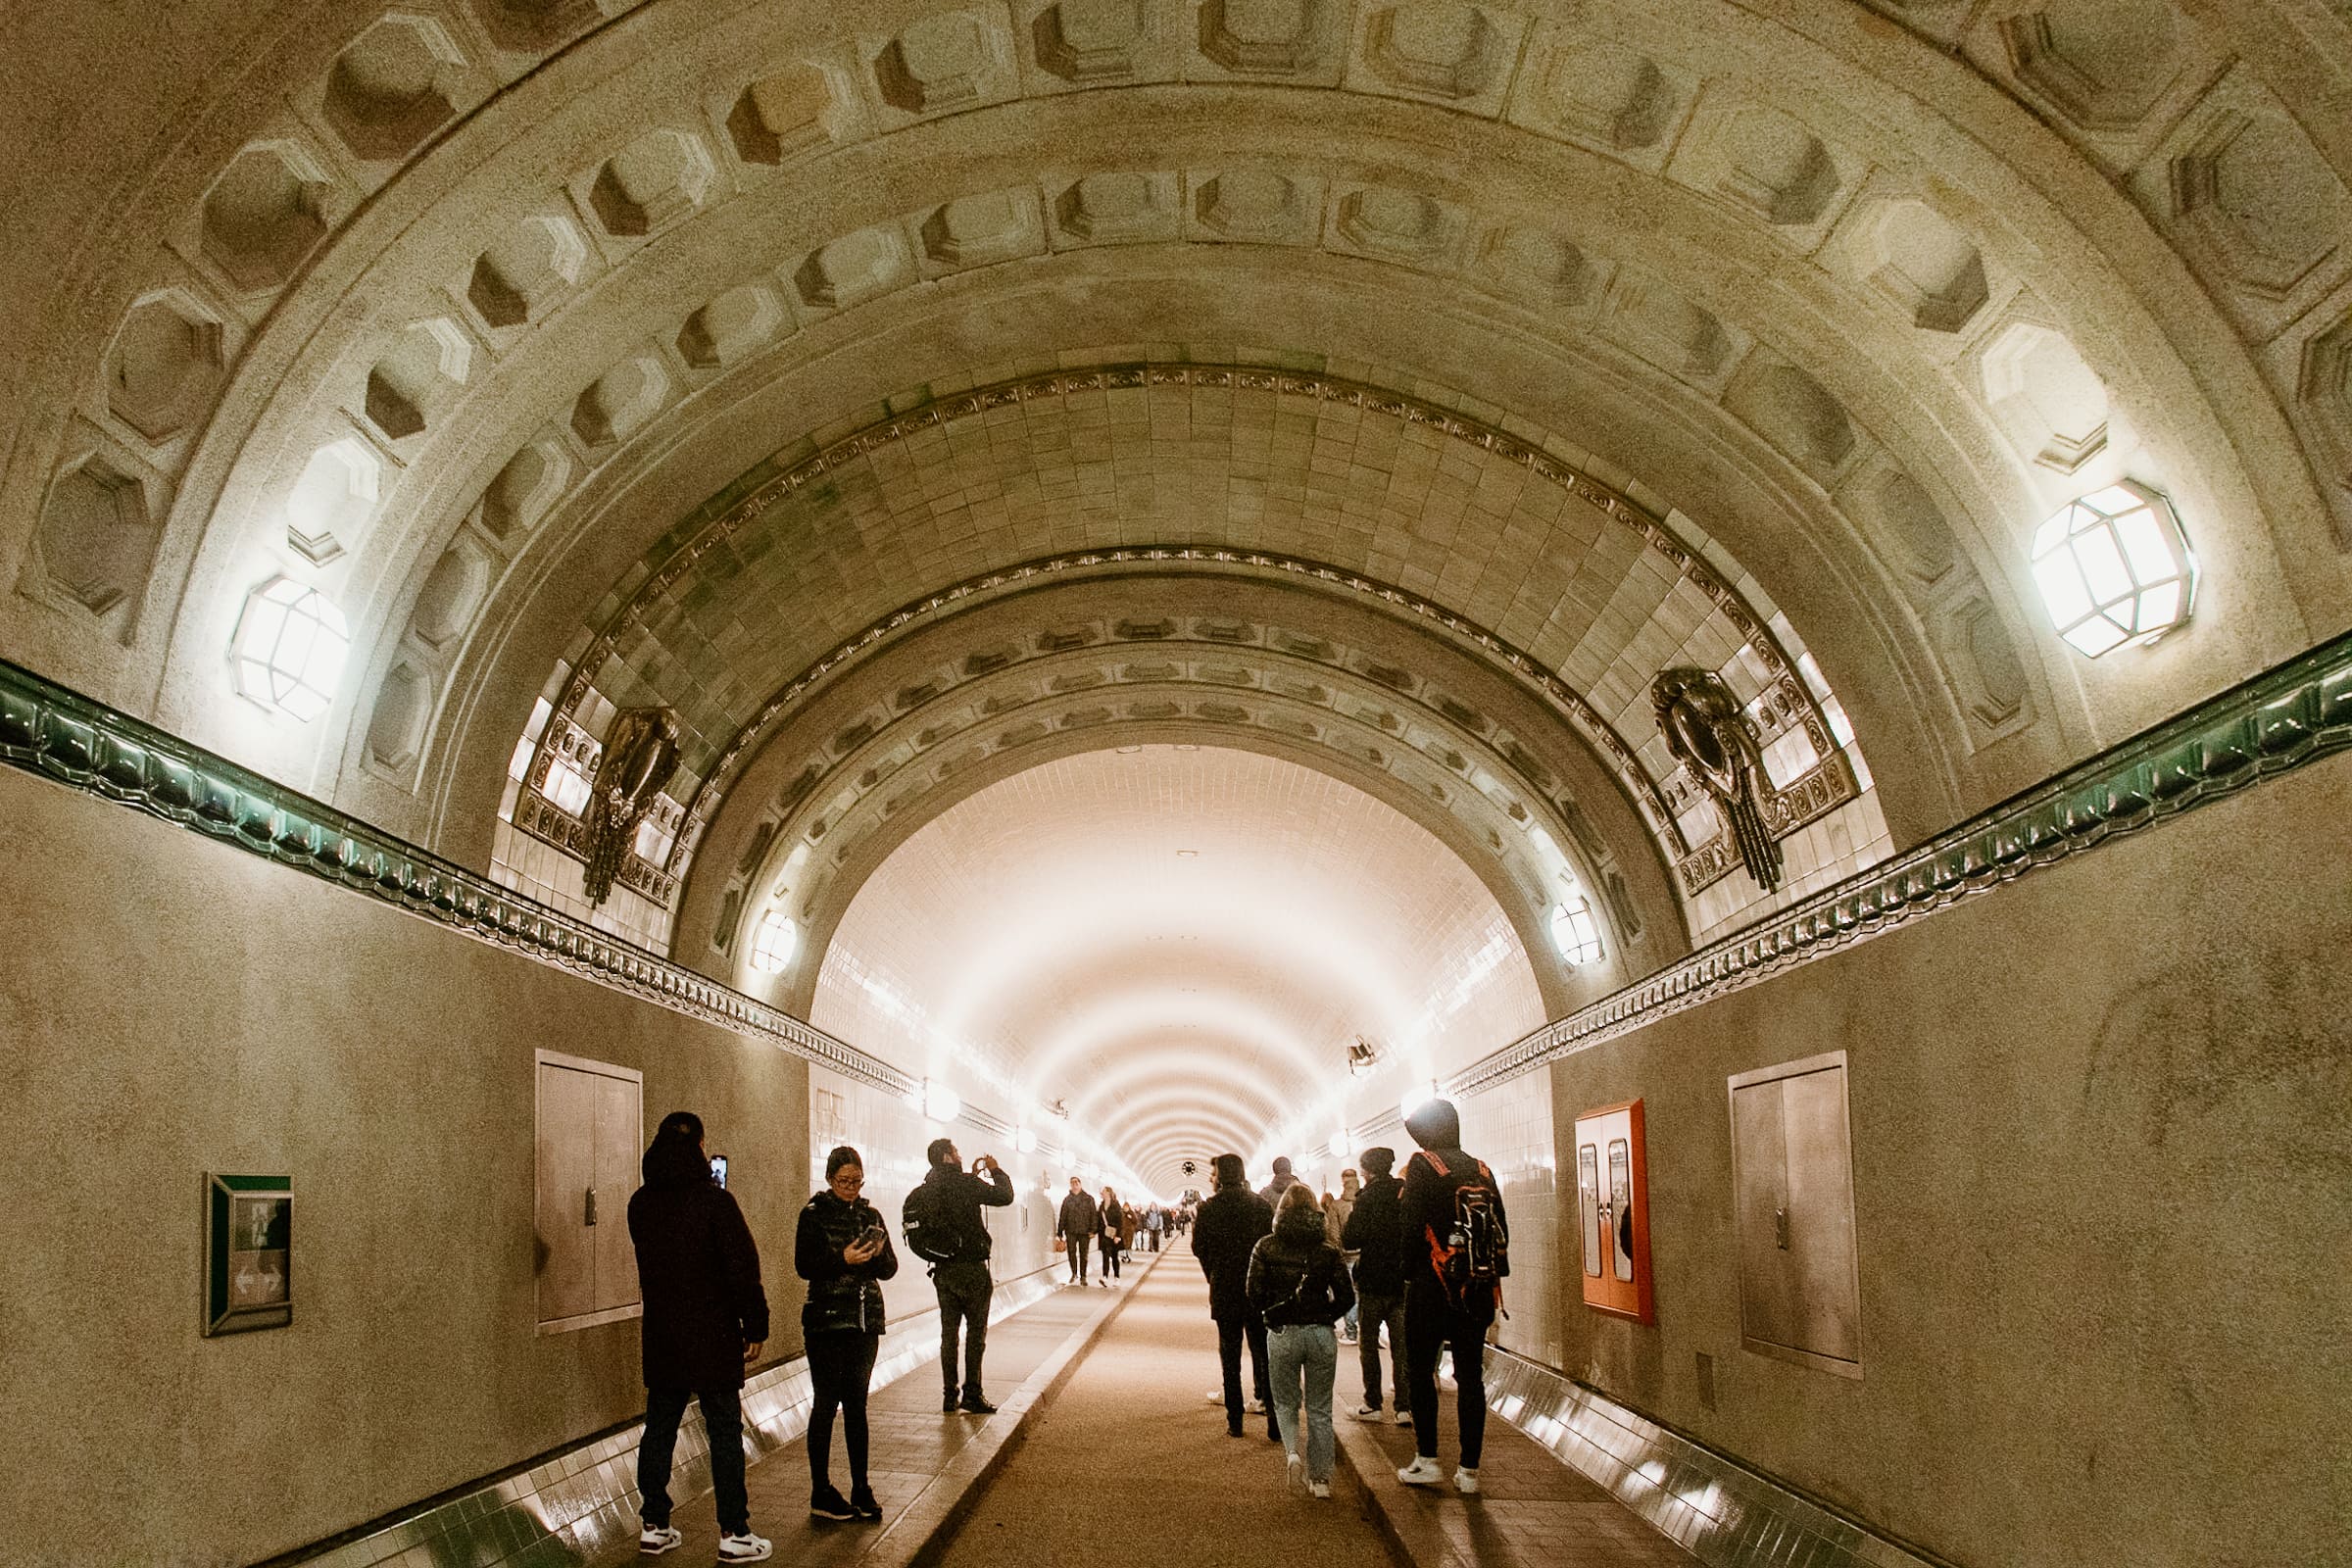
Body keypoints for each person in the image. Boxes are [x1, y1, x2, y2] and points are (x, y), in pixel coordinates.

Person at [626, 1111, 774, 1562]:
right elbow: (742, 1267)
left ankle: (654, 1523)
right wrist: (756, 1324)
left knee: (660, 1426)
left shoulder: (640, 1203)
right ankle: (734, 1532)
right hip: (712, 1334)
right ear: (699, 1147)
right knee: (725, 1431)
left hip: (664, 1335)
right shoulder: (715, 1202)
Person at [1394, 1101, 1508, 1494]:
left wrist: (1408, 1275)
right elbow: (1500, 1231)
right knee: (1470, 1376)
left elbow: (1409, 1230)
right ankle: (1470, 1471)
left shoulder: (1423, 1166)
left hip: (1431, 1288)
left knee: (1422, 1372)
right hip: (1477, 1290)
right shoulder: (1482, 1169)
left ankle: (1427, 1460)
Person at [794, 1145, 898, 1524]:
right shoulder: (813, 1215)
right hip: (825, 1322)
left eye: (856, 1181)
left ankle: (860, 1486)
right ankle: (820, 1489)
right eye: (844, 1181)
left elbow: (889, 1270)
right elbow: (803, 1265)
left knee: (856, 1404)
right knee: (826, 1402)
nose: (851, 1188)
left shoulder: (871, 1214)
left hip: (864, 1320)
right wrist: (843, 1259)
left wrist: (879, 1254)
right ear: (829, 1179)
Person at [1246, 1185, 1355, 1500]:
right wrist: (1325, 1315)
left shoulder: (1265, 1246)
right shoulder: (1328, 1249)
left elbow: (1253, 1292)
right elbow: (1346, 1297)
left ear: (1280, 1212)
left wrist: (1273, 1313)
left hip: (1282, 1334)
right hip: (1320, 1334)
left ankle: (1292, 1452)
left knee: (1285, 1402)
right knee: (1320, 1408)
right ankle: (1320, 1480)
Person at [917, 1137, 1014, 1413]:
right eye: (956, 1151)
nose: (959, 1155)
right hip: (972, 1270)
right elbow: (1004, 1196)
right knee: (975, 1334)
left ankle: (949, 1395)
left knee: (949, 1335)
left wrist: (972, 1175)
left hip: (943, 1272)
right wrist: (995, 1170)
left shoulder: (929, 1188)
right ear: (947, 1157)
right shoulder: (966, 1184)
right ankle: (972, 1393)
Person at [1193, 1153, 1278, 1441]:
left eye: (1213, 1173)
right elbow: (1270, 1245)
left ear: (1222, 1175)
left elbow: (1198, 1247)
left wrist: (1213, 1273)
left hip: (1225, 1289)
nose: (1211, 1178)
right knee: (1263, 1355)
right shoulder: (1260, 1206)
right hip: (1258, 1292)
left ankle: (1235, 1421)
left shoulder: (1208, 1208)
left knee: (1230, 1356)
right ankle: (1274, 1422)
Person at [1342, 1148, 1412, 1427]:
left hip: (1372, 1280)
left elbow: (1350, 1239)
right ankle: (1404, 1407)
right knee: (1401, 1347)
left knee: (1368, 1344)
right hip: (1401, 1278)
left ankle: (1373, 1403)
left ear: (1368, 1170)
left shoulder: (1366, 1197)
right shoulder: (1404, 1193)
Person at [1326, 1170, 1360, 1343]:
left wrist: (1339, 1251)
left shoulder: (1336, 1206)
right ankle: (1370, 1331)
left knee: (1350, 1292)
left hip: (1346, 1256)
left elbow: (1333, 1232)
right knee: (1363, 1292)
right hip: (1364, 1255)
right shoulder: (1365, 1202)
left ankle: (1351, 1331)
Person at [1057, 1176, 1099, 1286]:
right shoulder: (1067, 1200)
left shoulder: (1088, 1199)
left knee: (1083, 1254)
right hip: (1070, 1230)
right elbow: (1063, 1216)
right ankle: (1074, 1273)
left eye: (1076, 1183)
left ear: (1080, 1184)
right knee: (1071, 1252)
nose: (1074, 1186)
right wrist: (1060, 1231)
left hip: (1085, 1231)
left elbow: (1093, 1215)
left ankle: (1083, 1276)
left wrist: (1094, 1230)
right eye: (1072, 1184)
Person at [1098, 1186, 1125, 1282]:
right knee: (1105, 1256)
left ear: (1109, 1193)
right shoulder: (1101, 1206)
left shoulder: (1116, 1205)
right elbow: (1099, 1220)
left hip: (1114, 1235)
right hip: (1104, 1235)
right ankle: (1105, 1276)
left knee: (1114, 1256)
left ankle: (1117, 1277)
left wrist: (1118, 1236)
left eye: (1104, 1191)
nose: (1102, 1193)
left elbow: (1121, 1222)